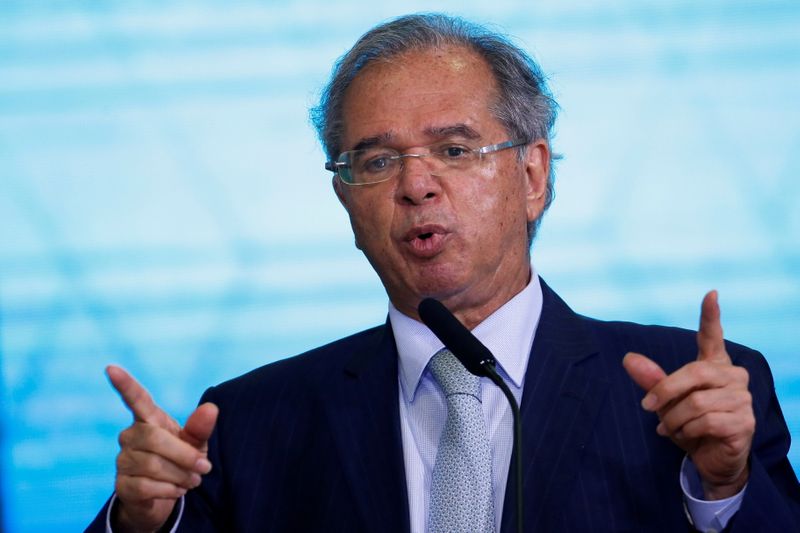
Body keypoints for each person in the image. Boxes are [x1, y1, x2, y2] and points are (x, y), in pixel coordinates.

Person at [86, 13, 800, 532]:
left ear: (533, 175)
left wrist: (726, 485)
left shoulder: (692, 392)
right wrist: (145, 524)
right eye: (375, 160)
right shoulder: (253, 424)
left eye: (454, 151)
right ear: (345, 199)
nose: (416, 185)